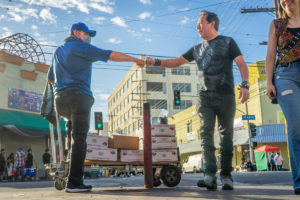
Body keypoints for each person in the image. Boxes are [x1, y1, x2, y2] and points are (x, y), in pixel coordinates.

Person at [146, 10, 249, 190]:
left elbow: (241, 63)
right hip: (204, 97)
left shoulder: (228, 42)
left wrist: (245, 85)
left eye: (200, 23)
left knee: (226, 136)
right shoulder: (196, 49)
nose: (197, 27)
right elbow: (176, 61)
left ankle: (226, 175)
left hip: (226, 96)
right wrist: (154, 62)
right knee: (205, 135)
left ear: (212, 24)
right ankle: (209, 176)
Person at [47, 22, 144, 193]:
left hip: (60, 101)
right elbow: (110, 55)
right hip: (79, 97)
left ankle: (70, 168)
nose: (88, 38)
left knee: (72, 134)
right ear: (76, 32)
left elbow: (50, 79)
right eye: (87, 34)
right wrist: (135, 59)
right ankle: (74, 183)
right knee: (80, 140)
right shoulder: (82, 47)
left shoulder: (57, 51)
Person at [266, 0, 300, 194]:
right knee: (296, 127)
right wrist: (269, 82)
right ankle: (299, 181)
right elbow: (270, 55)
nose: (286, 0)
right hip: (286, 75)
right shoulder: (276, 24)